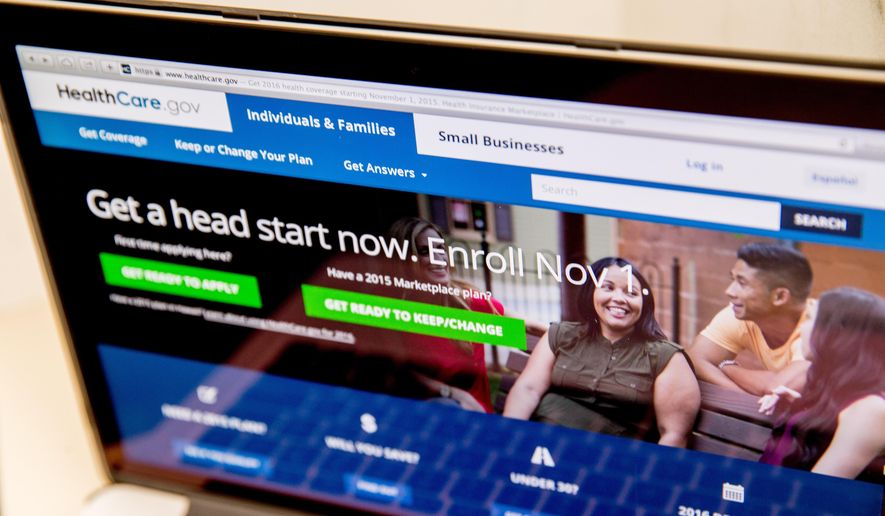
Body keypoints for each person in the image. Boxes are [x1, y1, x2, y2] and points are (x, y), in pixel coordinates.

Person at [503, 257, 700, 447]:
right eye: (608, 287)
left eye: (631, 293)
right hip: (538, 441)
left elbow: (673, 435)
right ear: (591, 293)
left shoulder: (666, 357)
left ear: (644, 303)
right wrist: (510, 438)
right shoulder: (562, 335)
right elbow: (528, 390)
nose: (619, 299)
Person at [384, 217, 545, 413]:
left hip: (475, 417)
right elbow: (401, 373)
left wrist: (569, 335)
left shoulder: (466, 304)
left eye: (440, 249)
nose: (438, 258)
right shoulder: (394, 313)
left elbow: (524, 328)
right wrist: (452, 393)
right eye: (425, 251)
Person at [760, 288, 885, 481]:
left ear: (838, 334)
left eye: (809, 318)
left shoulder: (871, 410)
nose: (801, 327)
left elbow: (813, 495)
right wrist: (803, 408)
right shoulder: (840, 395)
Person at [688, 243, 814, 395]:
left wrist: (727, 367)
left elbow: (779, 387)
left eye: (742, 283)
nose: (729, 291)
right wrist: (742, 398)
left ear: (780, 296)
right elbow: (695, 359)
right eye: (732, 279)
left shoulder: (816, 327)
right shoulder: (740, 314)